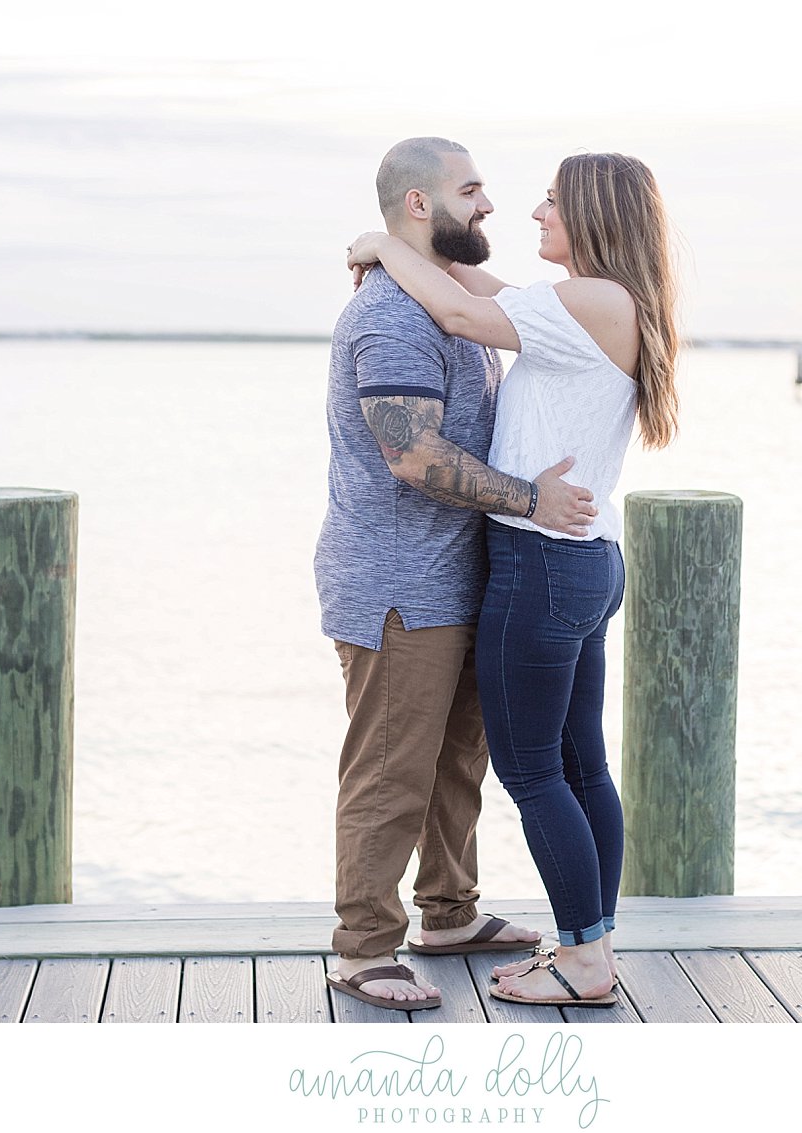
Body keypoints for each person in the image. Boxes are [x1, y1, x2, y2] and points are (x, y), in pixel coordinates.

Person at [344, 151, 682, 1007]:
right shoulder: (604, 303)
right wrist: (395, 246)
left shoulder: (589, 301)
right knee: (580, 766)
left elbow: (457, 309)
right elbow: (471, 292)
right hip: (586, 561)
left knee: (533, 772)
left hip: (540, 563)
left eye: (552, 202)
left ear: (596, 215)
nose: (531, 213)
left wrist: (383, 248)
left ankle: (582, 960)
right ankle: (590, 942)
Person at [315, 137, 600, 1011]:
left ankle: (447, 912)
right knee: (392, 768)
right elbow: (410, 454)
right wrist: (530, 499)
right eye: (471, 191)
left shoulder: (439, 304)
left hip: (462, 576)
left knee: (454, 765)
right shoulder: (392, 317)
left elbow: (510, 313)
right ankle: (364, 947)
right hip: (399, 584)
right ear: (417, 206)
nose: (488, 207)